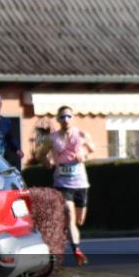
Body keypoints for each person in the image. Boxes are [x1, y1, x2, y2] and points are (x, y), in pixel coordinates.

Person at [43, 105, 95, 265]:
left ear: (73, 118)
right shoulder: (52, 138)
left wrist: (83, 155)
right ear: (58, 119)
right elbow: (40, 154)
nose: (66, 119)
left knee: (79, 221)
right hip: (62, 183)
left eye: (68, 116)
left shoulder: (81, 134)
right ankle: (76, 250)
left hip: (81, 183)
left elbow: (92, 149)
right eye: (62, 117)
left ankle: (65, 231)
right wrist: (48, 162)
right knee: (68, 213)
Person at [0, 91, 23, 169]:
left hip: (1, 160)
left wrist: (17, 150)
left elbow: (10, 138)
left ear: (1, 104)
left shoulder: (6, 122)